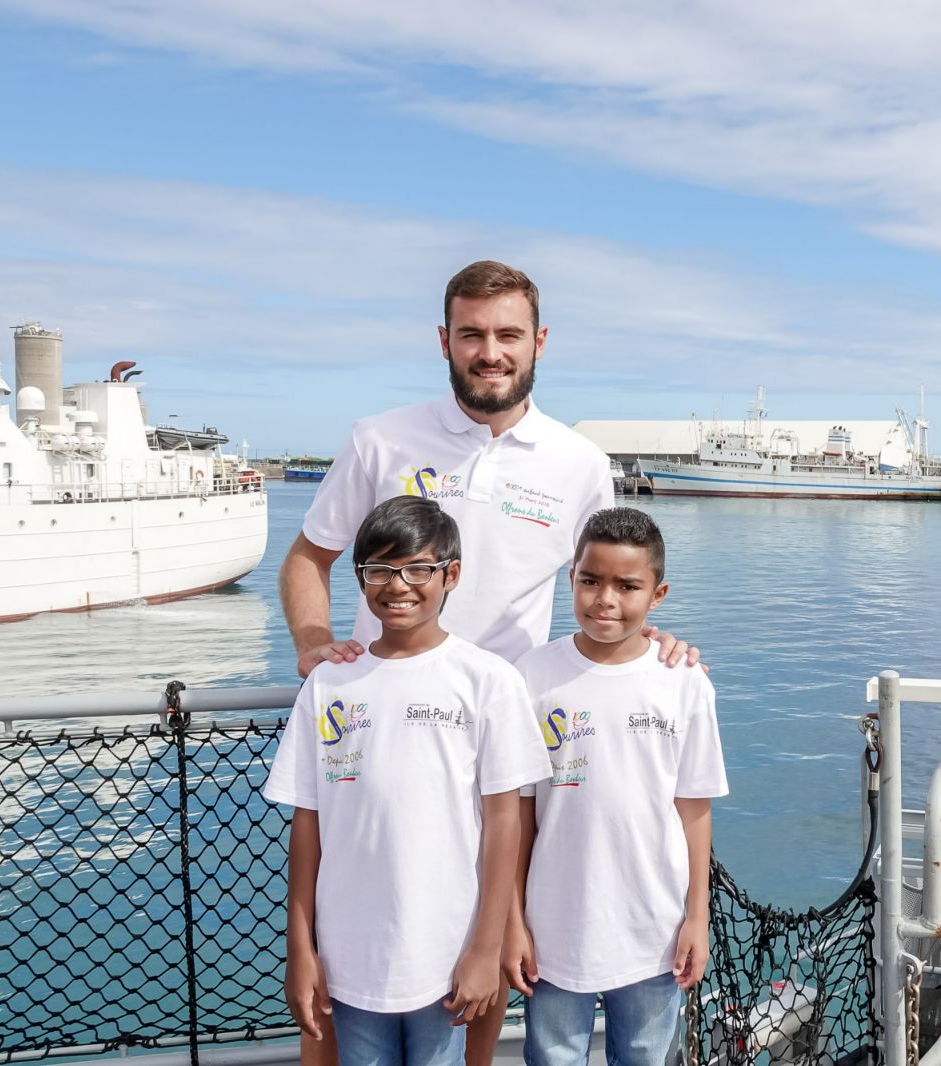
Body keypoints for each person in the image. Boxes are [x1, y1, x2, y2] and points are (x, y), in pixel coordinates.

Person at [278, 259, 700, 1065]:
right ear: (444, 340)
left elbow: (611, 580)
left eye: (508, 334)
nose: (490, 351)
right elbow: (306, 561)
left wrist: (660, 645)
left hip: (502, 741)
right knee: (338, 969)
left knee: (482, 967)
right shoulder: (379, 439)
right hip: (375, 727)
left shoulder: (578, 462)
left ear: (539, 342)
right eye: (472, 334)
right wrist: (310, 645)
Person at [264, 496, 551, 1065]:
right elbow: (307, 824)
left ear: (451, 575)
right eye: (379, 570)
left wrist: (485, 947)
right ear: (360, 578)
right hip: (349, 960)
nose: (398, 586)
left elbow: (503, 823)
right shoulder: (329, 685)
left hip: (448, 954)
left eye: (418, 569)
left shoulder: (488, 680)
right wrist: (302, 947)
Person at [506, 508, 728, 1066]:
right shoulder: (531, 677)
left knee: (646, 1057)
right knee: (552, 1057)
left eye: (627, 585)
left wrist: (695, 917)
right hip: (553, 924)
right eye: (590, 580)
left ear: (658, 593)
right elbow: (519, 816)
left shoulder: (685, 684)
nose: (605, 599)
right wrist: (514, 920)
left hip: (654, 927)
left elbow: (693, 809)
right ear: (572, 579)